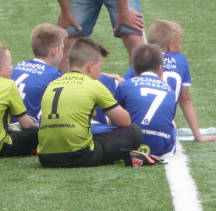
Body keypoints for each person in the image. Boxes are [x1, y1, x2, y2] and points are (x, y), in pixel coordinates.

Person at [36, 37, 147, 169]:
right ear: (91, 66)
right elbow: (124, 121)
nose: (100, 72)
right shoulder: (95, 85)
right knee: (134, 132)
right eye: (100, 67)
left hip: (45, 158)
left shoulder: (53, 84)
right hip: (78, 156)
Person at [127, 19, 216, 144]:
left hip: (135, 128)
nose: (180, 47)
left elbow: (124, 89)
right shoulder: (180, 61)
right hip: (163, 131)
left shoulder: (142, 60)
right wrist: (198, 135)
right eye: (179, 43)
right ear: (170, 45)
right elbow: (185, 100)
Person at [114, 44, 179, 157]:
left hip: (129, 145)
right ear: (160, 69)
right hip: (162, 150)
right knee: (172, 123)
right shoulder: (170, 90)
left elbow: (113, 120)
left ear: (133, 71)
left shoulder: (125, 85)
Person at [11, 24, 67, 122]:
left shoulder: (16, 67)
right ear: (55, 50)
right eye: (62, 48)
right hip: (30, 130)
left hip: (6, 127)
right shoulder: (54, 75)